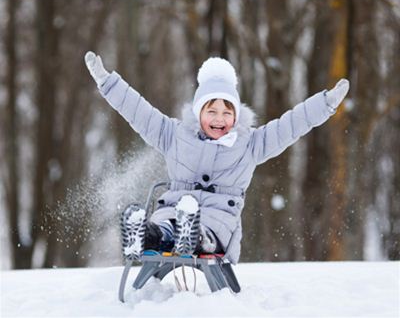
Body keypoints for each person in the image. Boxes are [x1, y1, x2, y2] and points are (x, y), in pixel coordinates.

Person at [84, 51, 349, 264]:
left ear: (236, 116)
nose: (219, 119)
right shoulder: (173, 134)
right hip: (173, 209)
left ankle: (195, 238)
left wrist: (325, 104)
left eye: (227, 112)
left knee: (204, 229)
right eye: (212, 111)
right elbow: (139, 111)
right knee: (165, 225)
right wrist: (108, 83)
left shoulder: (251, 143)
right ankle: (146, 236)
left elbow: (290, 125)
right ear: (198, 113)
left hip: (218, 221)